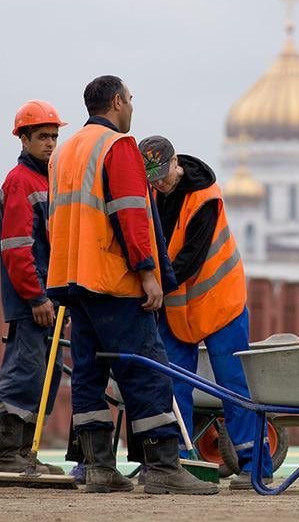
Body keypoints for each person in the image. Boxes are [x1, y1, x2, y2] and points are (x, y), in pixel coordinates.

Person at [46, 75, 217, 496]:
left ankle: (99, 468)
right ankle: (162, 467)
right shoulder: (117, 146)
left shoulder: (64, 152)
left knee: (88, 374)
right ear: (118, 102)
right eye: (131, 99)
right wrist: (147, 272)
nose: (132, 107)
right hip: (112, 281)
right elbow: (130, 214)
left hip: (71, 279)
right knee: (145, 369)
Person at [137, 135, 273, 490]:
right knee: (172, 383)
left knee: (233, 385)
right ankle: (179, 464)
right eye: (152, 179)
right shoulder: (151, 194)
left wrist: (152, 285)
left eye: (163, 175)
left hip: (220, 301)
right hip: (178, 305)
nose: (159, 184)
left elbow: (190, 259)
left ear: (176, 163)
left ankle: (256, 466)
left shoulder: (205, 198)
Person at [0, 100, 67, 478]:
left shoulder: (48, 180)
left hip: (50, 299)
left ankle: (25, 454)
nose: (50, 143)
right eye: (42, 137)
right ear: (24, 139)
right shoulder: (21, 181)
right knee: (25, 373)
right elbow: (17, 248)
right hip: (32, 302)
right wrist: (36, 296)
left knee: (45, 376)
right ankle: (7, 455)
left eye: (53, 136)